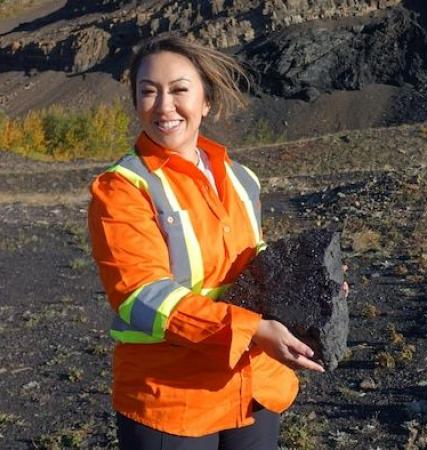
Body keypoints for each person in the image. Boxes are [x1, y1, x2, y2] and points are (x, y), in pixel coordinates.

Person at [88, 35, 340, 450]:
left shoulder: (241, 177)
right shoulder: (122, 188)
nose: (164, 106)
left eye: (179, 90)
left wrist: (315, 288)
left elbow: (255, 267)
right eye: (148, 92)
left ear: (206, 101)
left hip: (255, 385)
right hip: (173, 397)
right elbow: (141, 295)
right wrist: (254, 329)